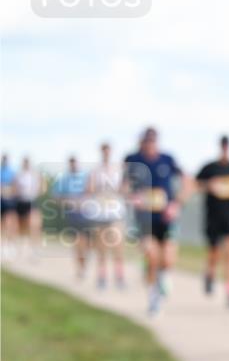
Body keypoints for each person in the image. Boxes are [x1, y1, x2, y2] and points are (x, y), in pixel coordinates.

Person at [125, 128, 192, 315]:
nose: (150, 144)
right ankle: (154, 297)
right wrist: (132, 197)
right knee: (152, 256)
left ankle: (163, 276)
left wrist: (177, 204)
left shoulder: (167, 160)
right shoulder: (133, 160)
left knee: (168, 259)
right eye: (147, 140)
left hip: (166, 218)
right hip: (144, 219)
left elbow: (187, 181)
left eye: (153, 140)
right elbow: (123, 186)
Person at [196, 135, 229, 308]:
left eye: (227, 146)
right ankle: (209, 275)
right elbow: (196, 184)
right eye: (223, 146)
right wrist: (209, 185)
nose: (225, 149)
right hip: (213, 217)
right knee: (214, 253)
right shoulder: (210, 168)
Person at [87, 142, 128, 289]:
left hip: (115, 211)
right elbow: (89, 188)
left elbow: (124, 188)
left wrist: (118, 190)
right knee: (101, 247)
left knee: (118, 246)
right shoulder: (95, 170)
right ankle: (102, 277)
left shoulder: (118, 169)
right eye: (104, 151)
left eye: (108, 151)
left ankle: (119, 276)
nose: (106, 153)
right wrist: (99, 189)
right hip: (100, 212)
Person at [52, 155, 91, 279]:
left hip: (86, 212)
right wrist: (68, 201)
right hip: (73, 213)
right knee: (78, 240)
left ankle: (83, 263)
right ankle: (80, 267)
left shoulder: (85, 176)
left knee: (86, 242)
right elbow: (56, 196)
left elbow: (91, 191)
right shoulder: (64, 179)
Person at [14, 156, 44, 257]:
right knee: (22, 226)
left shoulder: (35, 175)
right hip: (21, 202)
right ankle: (23, 245)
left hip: (32, 201)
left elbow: (42, 187)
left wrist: (38, 191)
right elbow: (15, 188)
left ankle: (35, 248)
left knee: (34, 225)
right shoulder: (19, 175)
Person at [1, 154, 17, 254]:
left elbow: (14, 185)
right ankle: (2, 245)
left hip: (9, 200)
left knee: (9, 222)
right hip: (1, 200)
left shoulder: (12, 172)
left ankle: (10, 244)